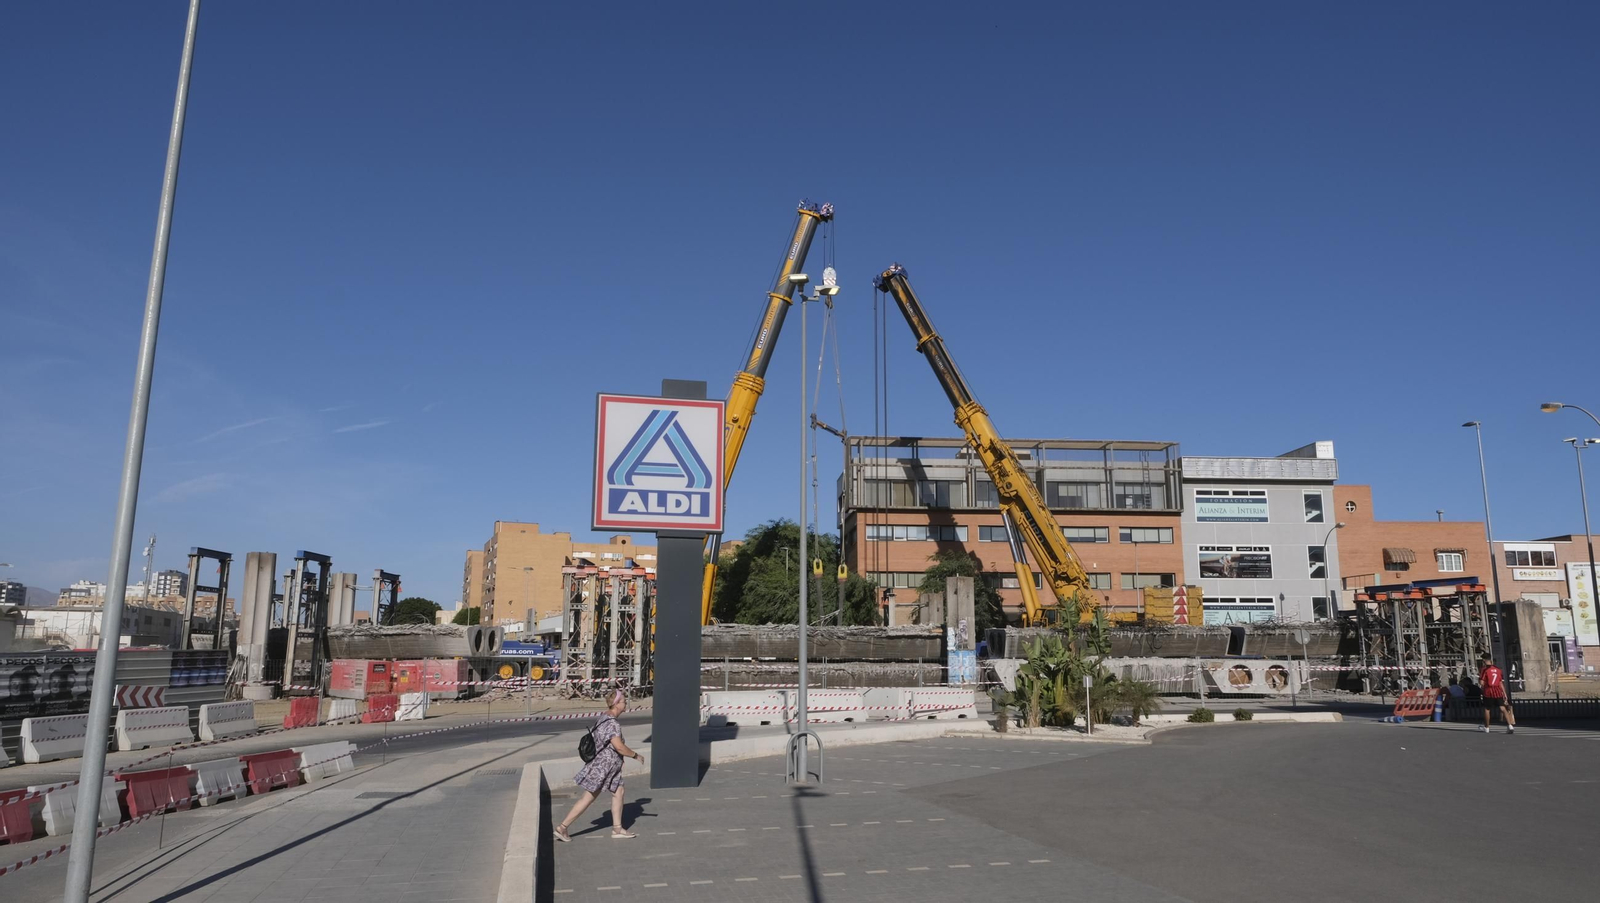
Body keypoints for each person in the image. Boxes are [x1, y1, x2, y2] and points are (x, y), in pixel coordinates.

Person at [556, 689, 644, 841]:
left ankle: (617, 829)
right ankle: (562, 827)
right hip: (603, 767)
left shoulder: (604, 717)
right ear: (616, 704)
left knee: (619, 791)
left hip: (608, 767)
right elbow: (619, 747)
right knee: (588, 797)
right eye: (623, 701)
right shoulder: (612, 723)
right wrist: (635, 755)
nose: (625, 703)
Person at [1477, 655, 1515, 734]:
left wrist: (1481, 684)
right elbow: (1500, 682)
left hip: (1489, 691)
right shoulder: (1498, 669)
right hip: (1498, 690)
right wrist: (1504, 693)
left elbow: (1482, 682)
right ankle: (1510, 725)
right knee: (1502, 708)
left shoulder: (1484, 669)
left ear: (1484, 660)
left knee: (1487, 709)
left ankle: (1486, 727)